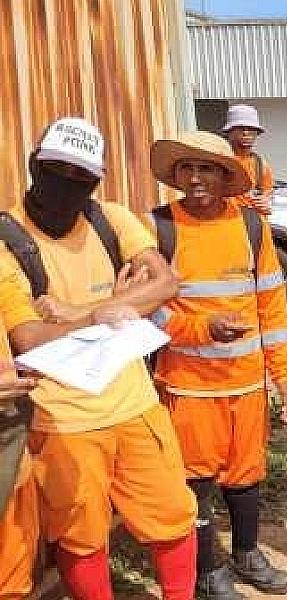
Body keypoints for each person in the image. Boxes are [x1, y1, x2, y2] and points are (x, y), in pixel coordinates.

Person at [0, 117, 197, 600]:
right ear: (34, 165)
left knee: (172, 514)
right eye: (56, 170)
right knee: (80, 534)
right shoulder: (7, 242)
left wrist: (78, 312)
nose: (67, 184)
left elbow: (167, 282)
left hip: (135, 403)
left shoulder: (111, 219)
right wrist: (107, 309)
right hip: (63, 419)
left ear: (95, 181)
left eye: (81, 177)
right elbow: (29, 338)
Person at [149, 131, 287, 600]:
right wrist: (202, 329)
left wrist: (284, 375)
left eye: (206, 169)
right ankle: (209, 570)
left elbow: (272, 305)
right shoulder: (159, 228)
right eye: (187, 168)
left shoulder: (251, 227)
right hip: (188, 386)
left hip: (246, 383)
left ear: (224, 176)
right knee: (195, 482)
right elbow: (146, 311)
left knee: (246, 475)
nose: (195, 178)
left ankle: (247, 554)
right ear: (176, 176)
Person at [222, 104, 275, 215]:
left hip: (254, 222)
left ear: (257, 133)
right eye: (240, 128)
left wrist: (266, 203)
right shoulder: (219, 161)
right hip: (226, 220)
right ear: (229, 132)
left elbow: (268, 196)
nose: (246, 133)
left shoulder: (260, 165)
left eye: (251, 129)